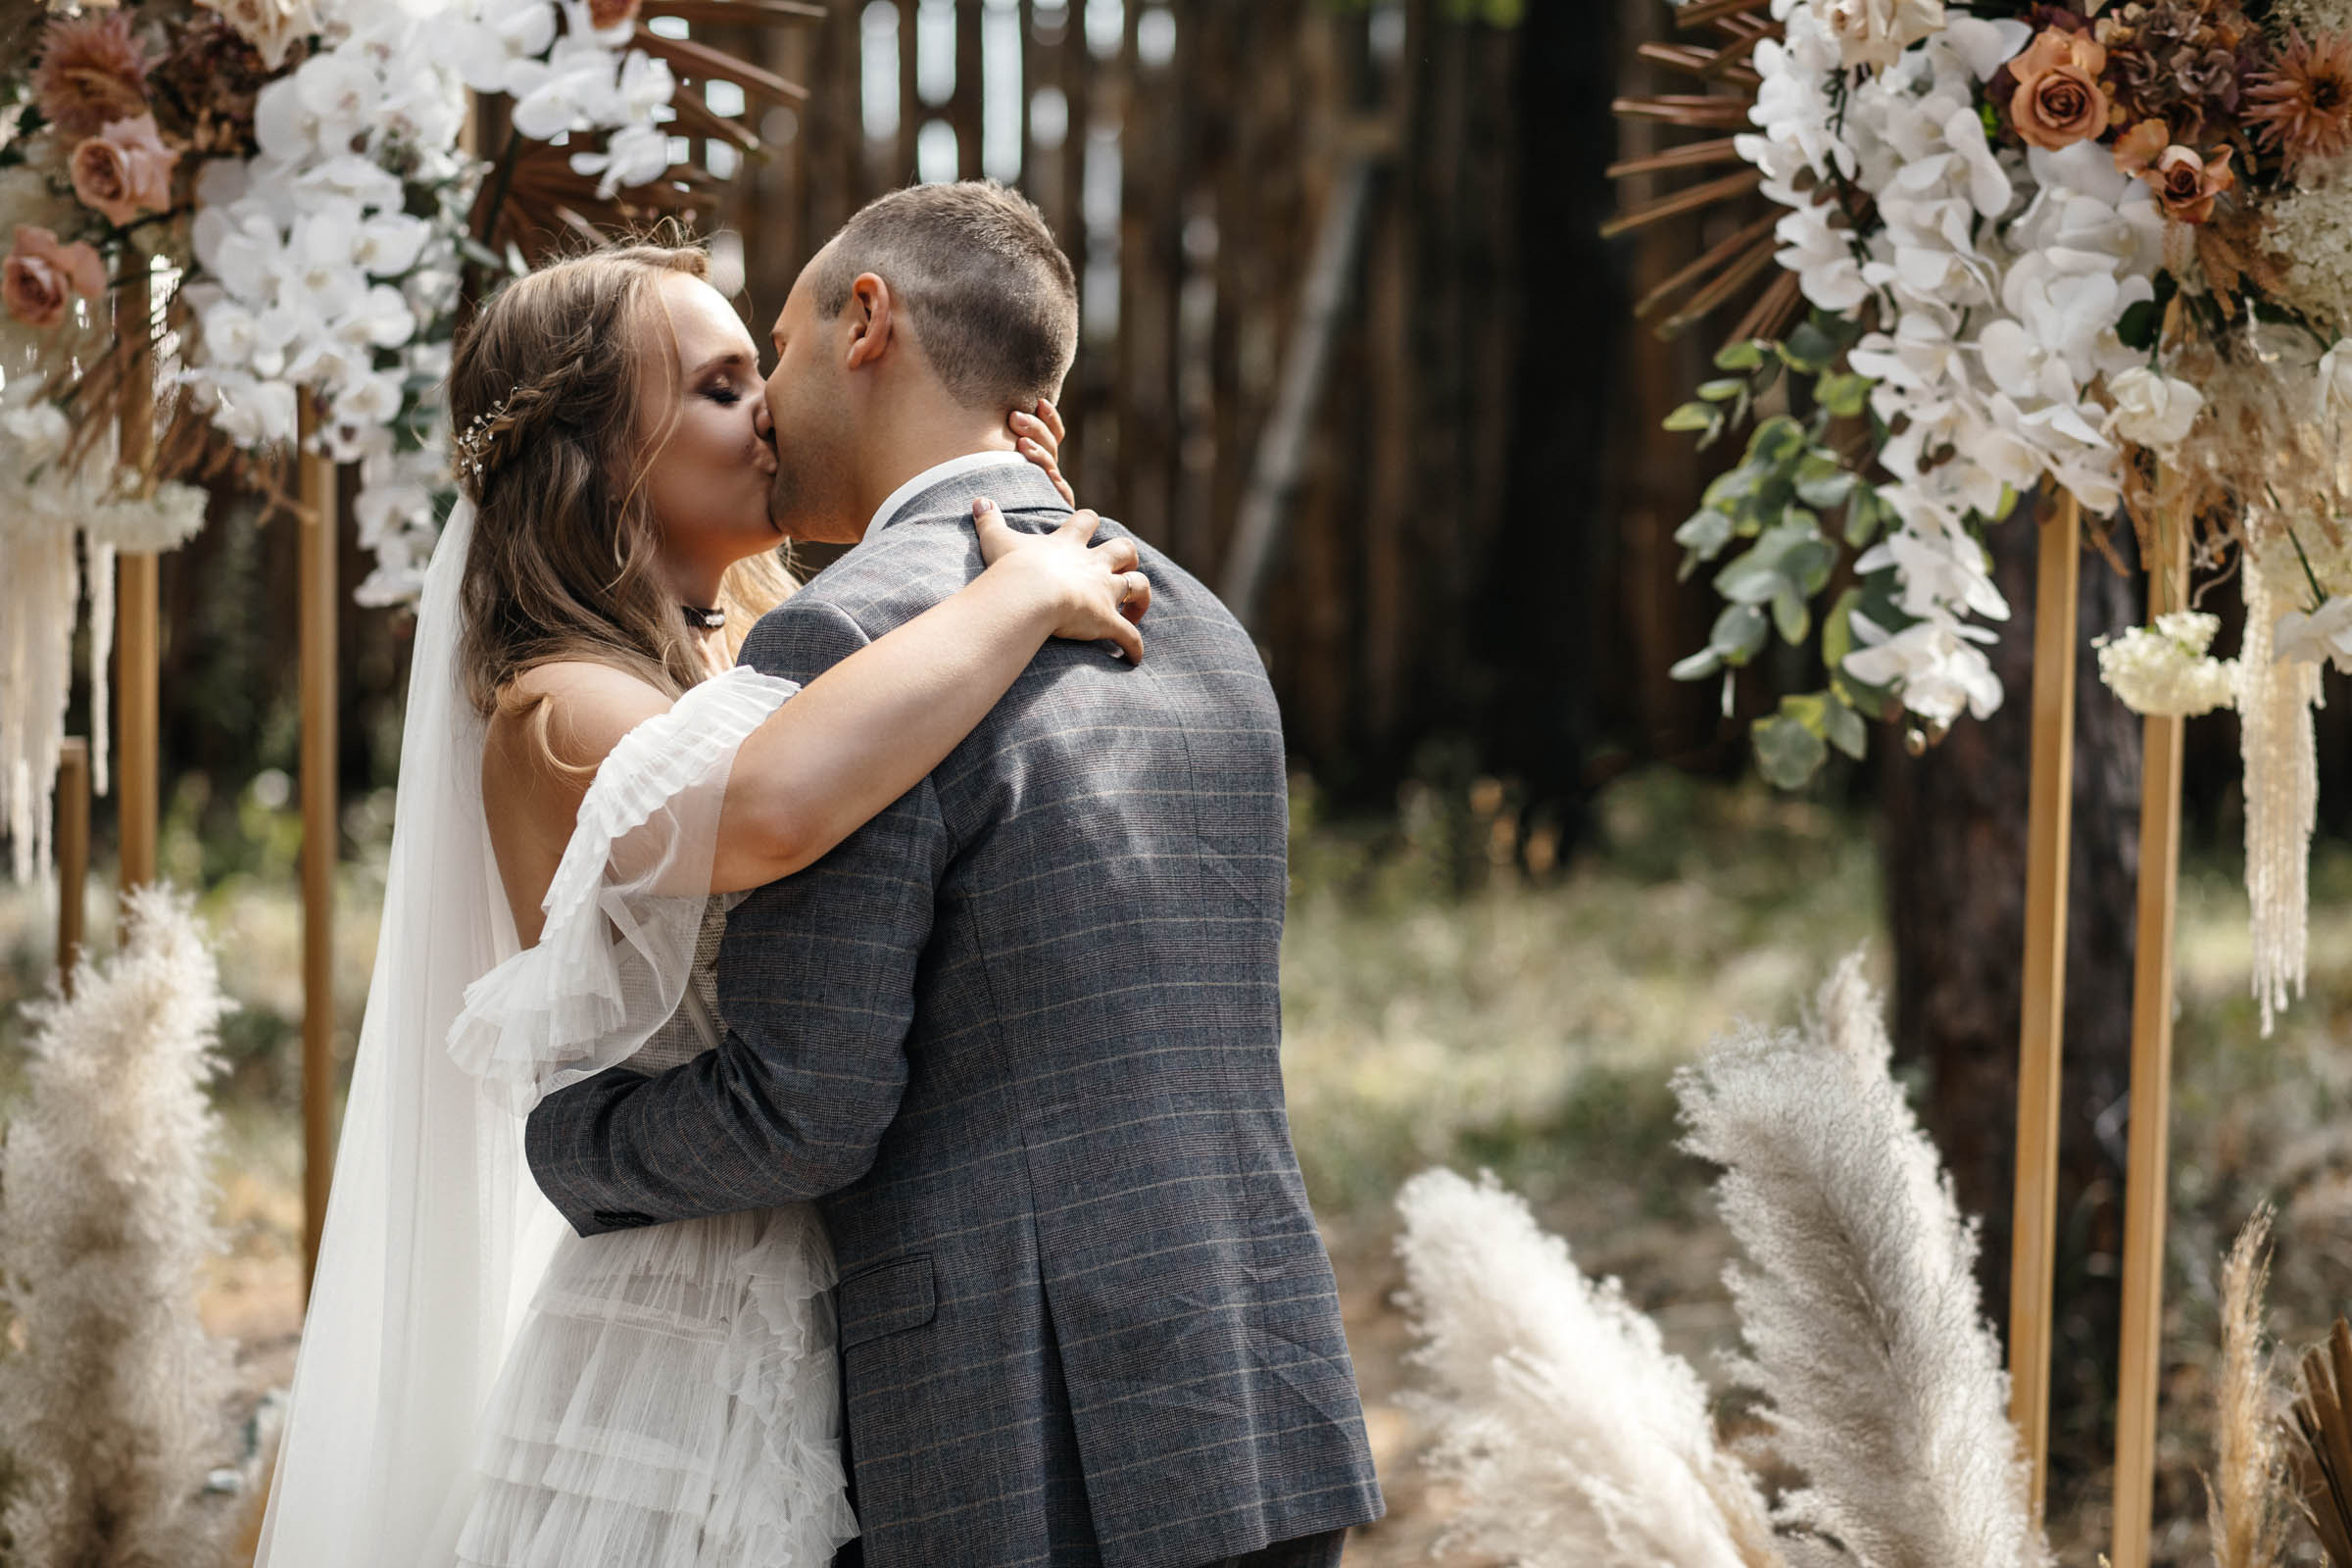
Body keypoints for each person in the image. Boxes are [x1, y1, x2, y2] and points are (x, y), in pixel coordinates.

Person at [525, 181, 1385, 1567]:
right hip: (1258, 1388)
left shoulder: (842, 636)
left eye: (777, 350)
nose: (764, 407)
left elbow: (805, 1108)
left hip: (1023, 1432)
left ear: (866, 321)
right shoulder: (1204, 619)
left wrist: (563, 1141)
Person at [251, 237, 1142, 1567]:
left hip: (867, 1285)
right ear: (608, 457)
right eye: (724, 388)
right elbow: (773, 807)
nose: (772, 410)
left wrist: (989, 519)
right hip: (695, 1333)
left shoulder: (772, 642)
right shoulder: (554, 709)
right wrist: (1014, 595)